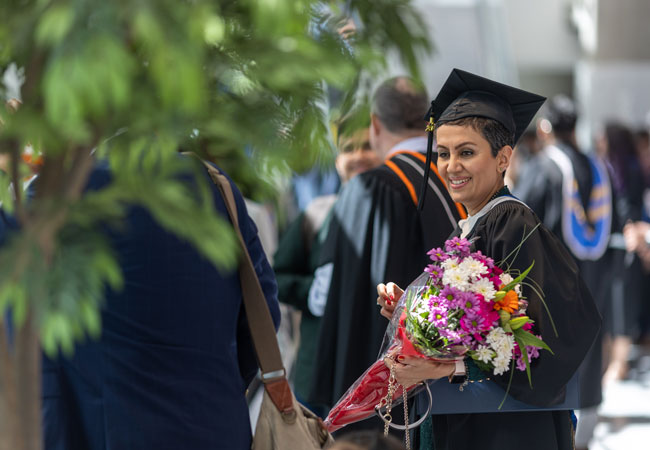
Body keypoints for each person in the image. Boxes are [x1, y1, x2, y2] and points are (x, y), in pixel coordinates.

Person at [376, 68, 601, 450]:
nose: (451, 166)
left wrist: (445, 366)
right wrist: (415, 314)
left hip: (504, 434)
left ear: (503, 158)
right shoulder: (470, 226)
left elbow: (542, 346)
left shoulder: (511, 223)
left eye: (466, 152)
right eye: (444, 153)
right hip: (469, 423)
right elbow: (473, 330)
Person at [37, 156, 280, 449]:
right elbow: (262, 317)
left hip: (103, 430)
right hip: (216, 426)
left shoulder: (54, 197)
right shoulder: (216, 188)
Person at [307, 76, 465, 425]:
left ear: (375, 124)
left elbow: (345, 301)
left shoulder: (372, 187)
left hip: (386, 397)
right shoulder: (462, 178)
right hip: (453, 381)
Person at [513, 95, 611, 449]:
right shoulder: (597, 167)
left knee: (555, 351)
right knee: (588, 345)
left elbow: (518, 219)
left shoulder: (543, 168)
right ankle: (586, 429)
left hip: (552, 284)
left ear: (545, 127)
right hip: (593, 278)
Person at [273, 109, 381, 414]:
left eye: (367, 146)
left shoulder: (400, 215)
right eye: (349, 148)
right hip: (318, 377)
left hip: (376, 378)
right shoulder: (317, 214)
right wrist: (310, 292)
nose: (359, 156)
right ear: (337, 160)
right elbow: (275, 276)